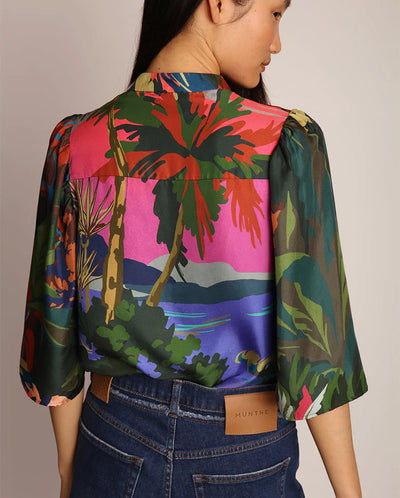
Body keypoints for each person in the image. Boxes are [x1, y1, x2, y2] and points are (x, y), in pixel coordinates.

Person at [19, 0, 369, 496]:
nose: (276, 43)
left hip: (112, 436)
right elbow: (318, 358)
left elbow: (55, 337)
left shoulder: (77, 141)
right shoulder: (285, 142)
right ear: (220, 4)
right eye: (274, 13)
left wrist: (70, 473)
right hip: (244, 446)